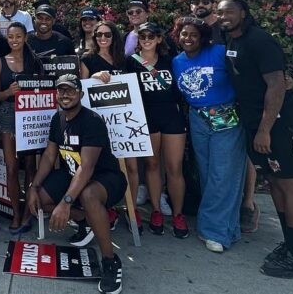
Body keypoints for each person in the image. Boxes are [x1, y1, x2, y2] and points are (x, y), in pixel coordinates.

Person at [218, 0, 293, 278]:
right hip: (254, 122)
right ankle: (290, 244)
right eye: (220, 12)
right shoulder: (233, 40)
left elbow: (277, 85)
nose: (223, 16)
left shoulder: (260, 40)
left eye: (229, 11)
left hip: (277, 126)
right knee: (274, 183)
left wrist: (265, 129)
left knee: (288, 184)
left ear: (244, 13)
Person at [27, 74, 126, 294]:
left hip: (105, 178)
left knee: (88, 195)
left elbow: (87, 168)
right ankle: (85, 219)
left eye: (70, 90)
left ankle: (110, 261)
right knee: (39, 201)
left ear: (80, 94)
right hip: (72, 175)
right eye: (61, 90)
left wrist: (66, 202)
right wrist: (33, 187)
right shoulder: (57, 119)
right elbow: (49, 156)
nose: (65, 95)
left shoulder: (92, 120)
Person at [171, 17, 246, 252]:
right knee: (206, 173)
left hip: (226, 116)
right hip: (198, 118)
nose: (188, 38)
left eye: (193, 34)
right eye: (184, 34)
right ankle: (228, 228)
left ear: (203, 36)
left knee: (223, 174)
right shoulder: (177, 61)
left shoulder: (220, 52)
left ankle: (213, 231)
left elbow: (246, 74)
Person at [78, 21, 141, 230]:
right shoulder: (87, 59)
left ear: (115, 37)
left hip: (126, 124)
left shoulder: (125, 60)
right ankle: (108, 209)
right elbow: (80, 89)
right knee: (104, 169)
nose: (103, 38)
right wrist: (94, 78)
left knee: (131, 167)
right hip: (100, 126)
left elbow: (140, 81)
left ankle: (131, 211)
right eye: (99, 35)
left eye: (107, 34)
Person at [131, 22, 189, 238]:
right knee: (152, 164)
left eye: (151, 35)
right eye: (142, 35)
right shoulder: (132, 62)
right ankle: (156, 210)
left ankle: (178, 214)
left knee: (174, 167)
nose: (146, 39)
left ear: (158, 39)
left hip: (172, 117)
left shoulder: (171, 61)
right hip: (147, 117)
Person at [0, 21, 44, 234]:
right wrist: (8, 93)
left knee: (31, 167)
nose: (14, 40)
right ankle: (15, 212)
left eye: (18, 36)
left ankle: (27, 213)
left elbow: (44, 90)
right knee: (11, 167)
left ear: (25, 38)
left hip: (30, 115)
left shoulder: (34, 61)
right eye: (10, 37)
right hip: (7, 114)